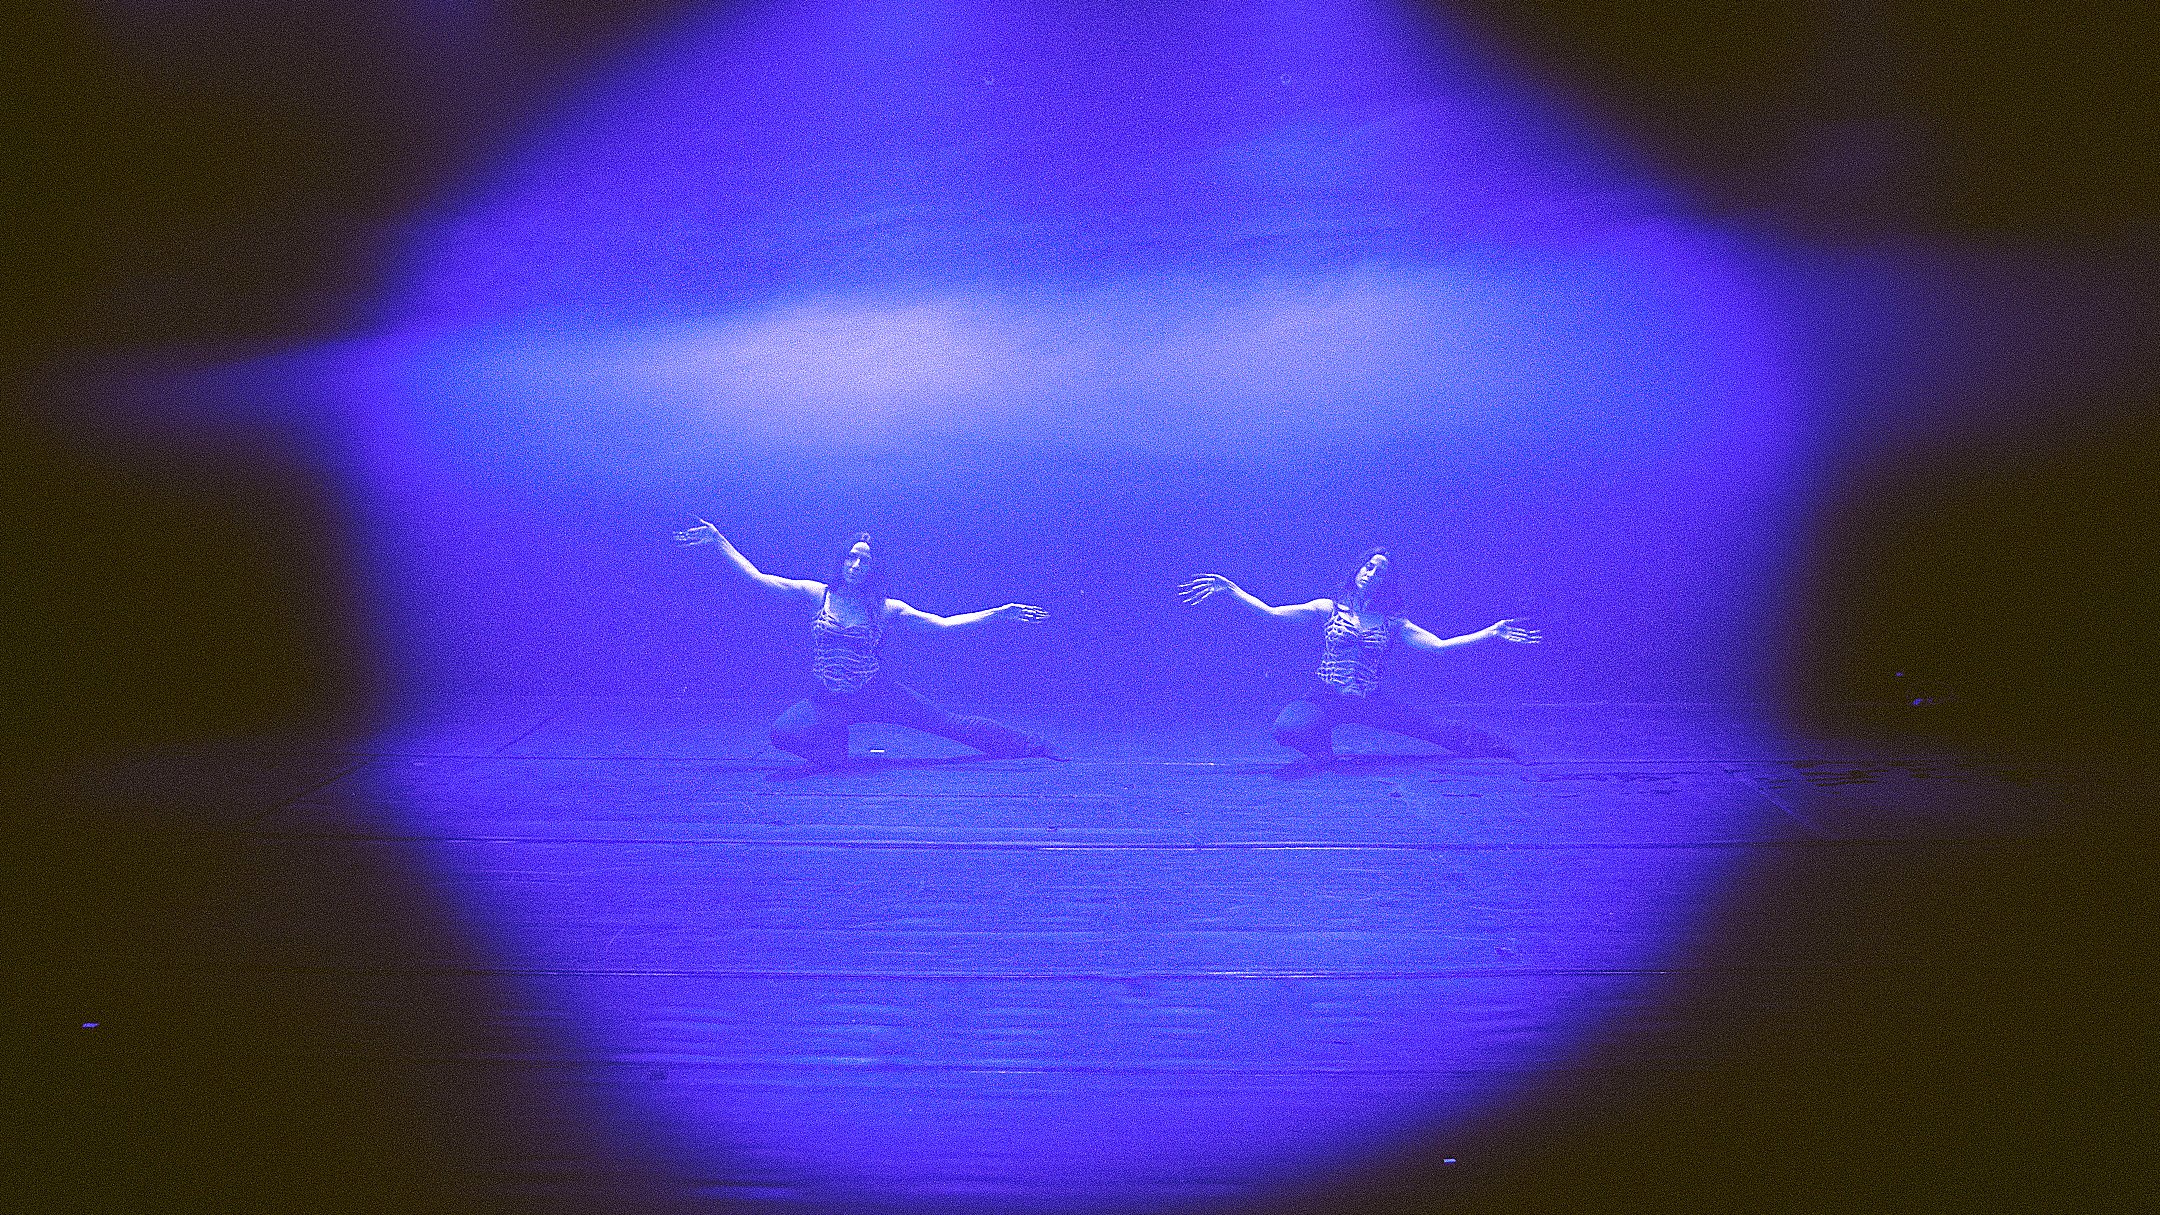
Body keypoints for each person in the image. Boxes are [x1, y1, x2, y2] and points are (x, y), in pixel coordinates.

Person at [676, 520, 1054, 766]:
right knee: (783, 734)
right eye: (851, 558)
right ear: (842, 562)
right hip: (828, 697)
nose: (855, 566)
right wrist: (718, 540)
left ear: (874, 570)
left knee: (950, 724)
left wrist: (996, 614)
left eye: (864, 562)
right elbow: (759, 578)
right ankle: (834, 750)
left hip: (876, 691)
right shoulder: (816, 593)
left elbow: (943, 624)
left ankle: (1031, 745)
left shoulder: (888, 608)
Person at [1180, 547, 1540, 762]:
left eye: (1380, 572)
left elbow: (1439, 646)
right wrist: (1231, 590)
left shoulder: (1393, 622)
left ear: (1387, 581)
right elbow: (1272, 612)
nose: (1371, 574)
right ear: (1358, 569)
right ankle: (1323, 751)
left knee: (1439, 730)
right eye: (1368, 566)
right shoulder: (1326, 607)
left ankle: (1505, 750)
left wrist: (1491, 633)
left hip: (1369, 699)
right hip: (1325, 696)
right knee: (1287, 729)